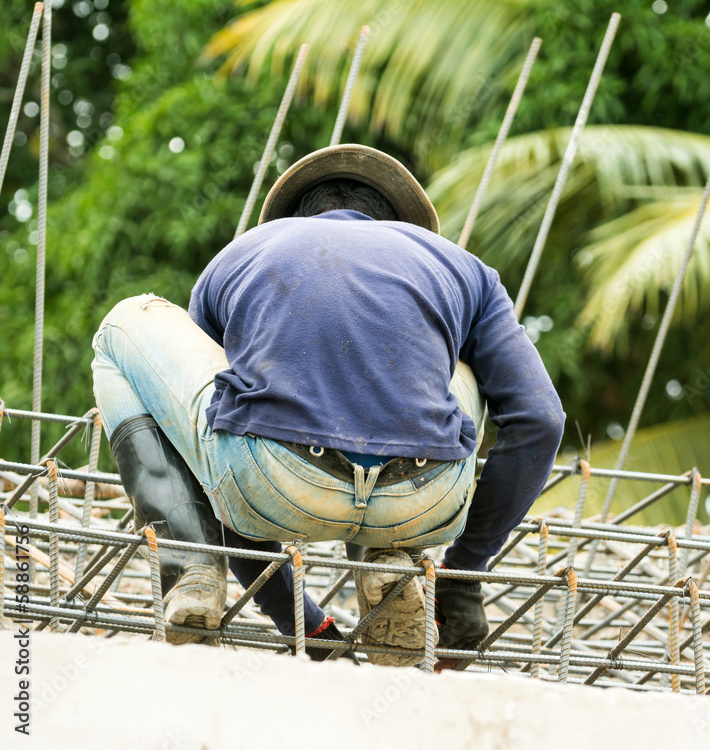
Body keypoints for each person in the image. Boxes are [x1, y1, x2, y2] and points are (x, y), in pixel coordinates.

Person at [91, 144, 565, 665]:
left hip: (270, 482)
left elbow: (206, 450)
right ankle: (391, 561)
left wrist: (303, 623)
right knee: (457, 366)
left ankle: (192, 567)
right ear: (399, 225)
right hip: (426, 499)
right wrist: (462, 575)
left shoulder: (245, 252)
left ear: (296, 217)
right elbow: (539, 418)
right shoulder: (464, 269)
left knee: (121, 329)